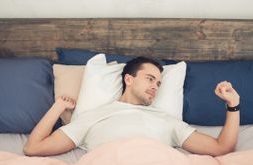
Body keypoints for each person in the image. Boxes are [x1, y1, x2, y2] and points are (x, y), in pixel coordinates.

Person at [24, 57, 240, 157]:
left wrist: (233, 106)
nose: (155, 86)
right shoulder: (94, 116)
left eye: (158, 83)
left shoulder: (167, 120)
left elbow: (222, 148)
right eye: (149, 79)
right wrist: (58, 106)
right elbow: (33, 147)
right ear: (128, 79)